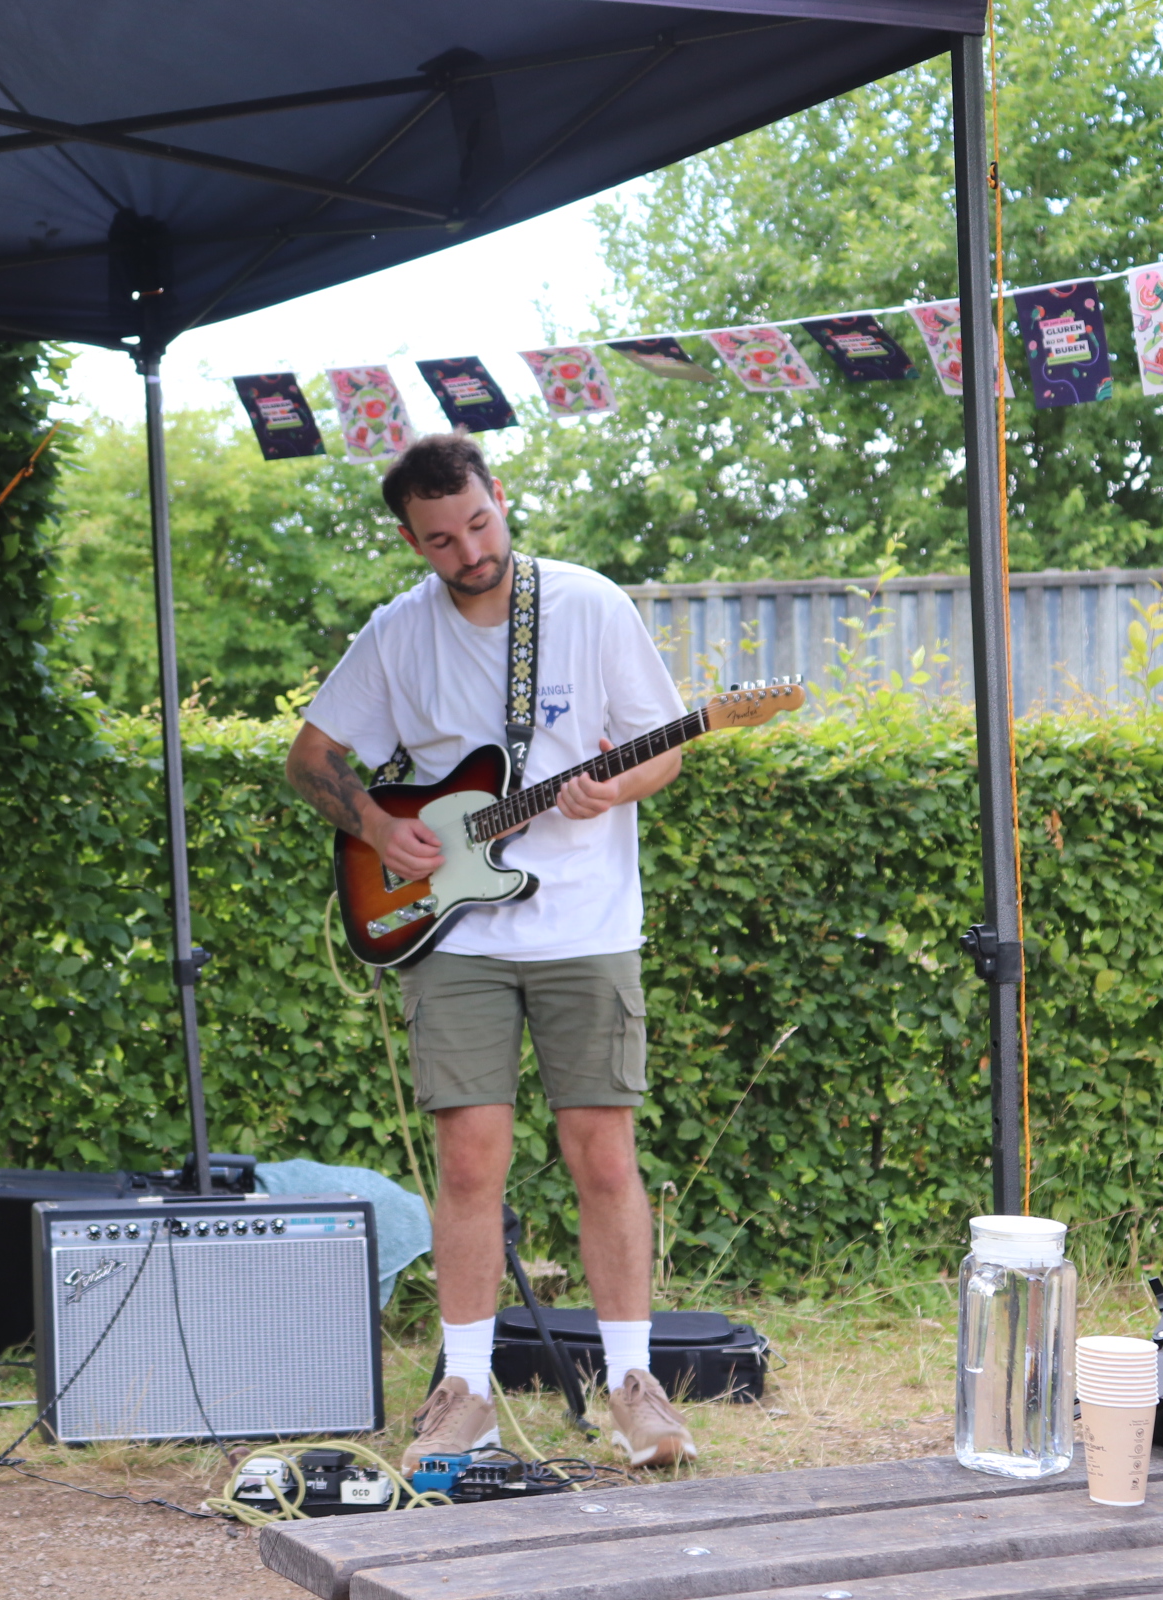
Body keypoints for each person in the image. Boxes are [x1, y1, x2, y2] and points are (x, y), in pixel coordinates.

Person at [285, 431, 696, 1471]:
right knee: (469, 1159)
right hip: (454, 930)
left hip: (588, 925)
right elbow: (312, 756)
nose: (470, 551)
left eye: (479, 523)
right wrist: (378, 828)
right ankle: (463, 1391)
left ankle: (634, 1385)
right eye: (441, 540)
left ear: (499, 495)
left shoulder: (589, 605)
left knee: (604, 1154)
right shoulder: (397, 634)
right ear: (410, 540)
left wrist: (615, 784)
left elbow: (666, 746)